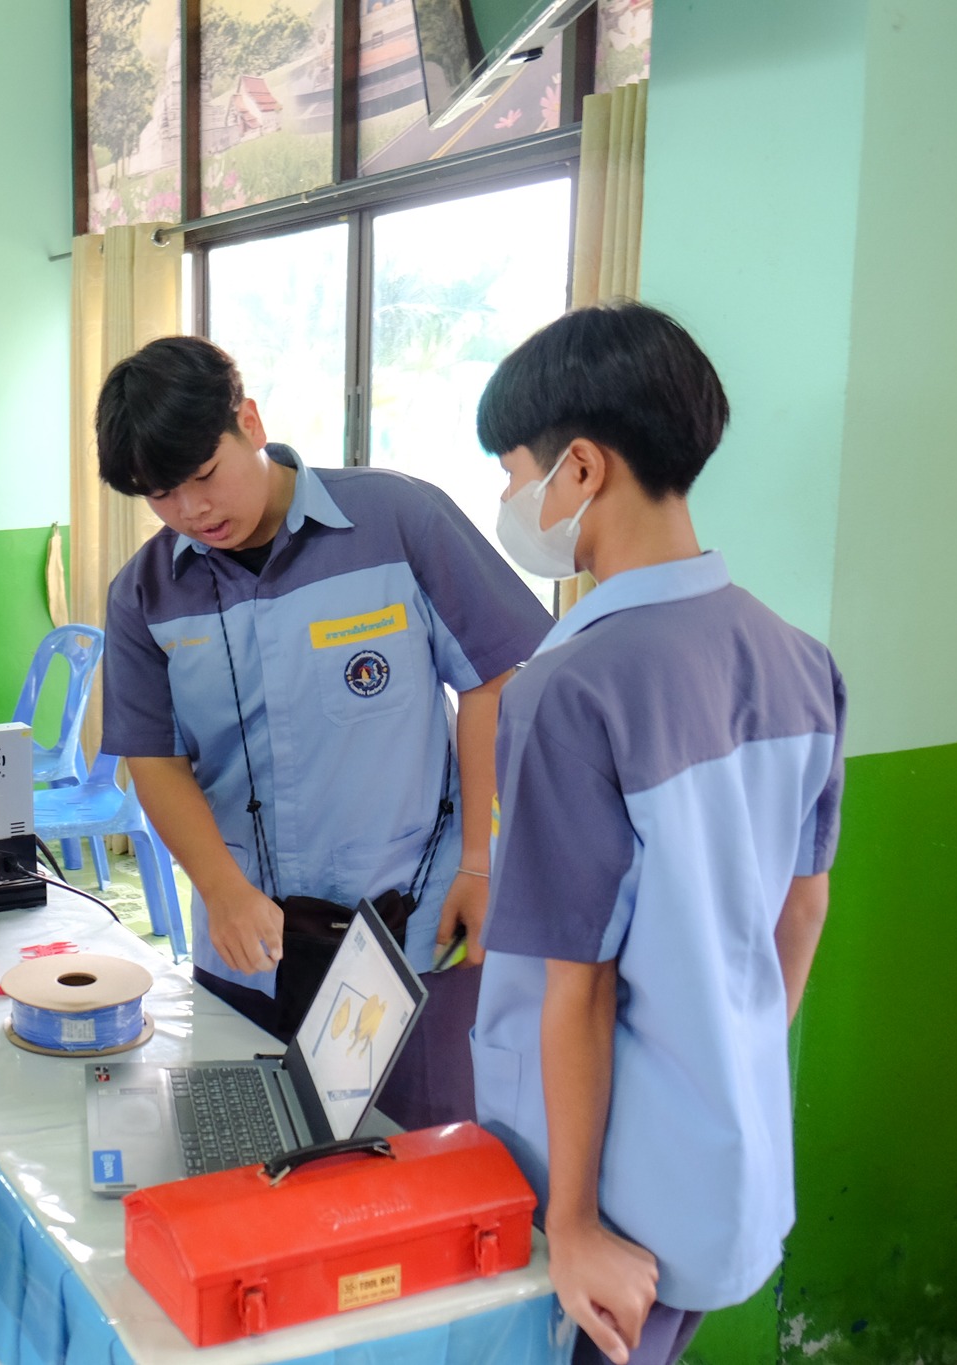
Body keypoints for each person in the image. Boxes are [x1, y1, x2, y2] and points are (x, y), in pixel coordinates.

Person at [471, 303, 844, 1365]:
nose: (508, 500)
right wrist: (721, 1069)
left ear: (579, 469)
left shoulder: (569, 689)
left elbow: (575, 983)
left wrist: (575, 1222)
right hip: (718, 1159)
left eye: (511, 473)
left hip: (604, 1199)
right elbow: (800, 907)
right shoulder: (799, 661)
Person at [95, 336, 553, 1129]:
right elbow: (154, 759)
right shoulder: (144, 594)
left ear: (249, 420)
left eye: (203, 476)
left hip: (413, 927)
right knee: (254, 1160)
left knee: (422, 1156)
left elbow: (492, 676)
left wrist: (479, 862)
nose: (192, 512)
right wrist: (223, 890)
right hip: (251, 942)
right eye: (162, 496)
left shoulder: (396, 521)